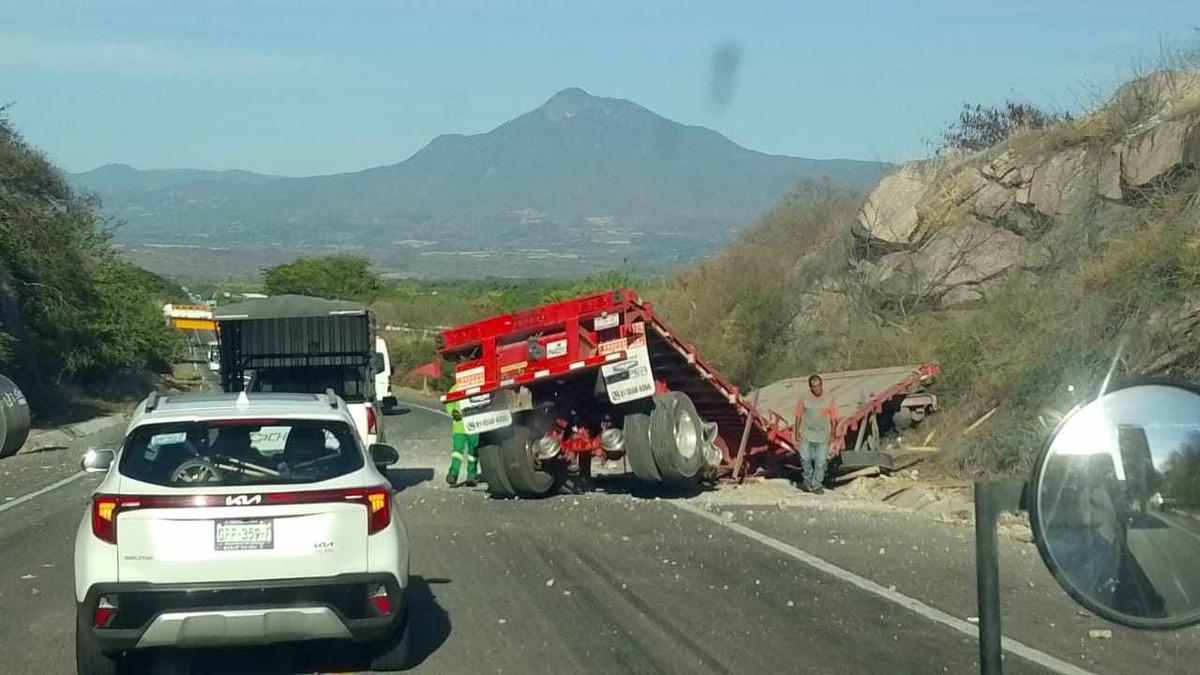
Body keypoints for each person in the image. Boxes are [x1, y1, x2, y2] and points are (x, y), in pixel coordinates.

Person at [794, 374, 837, 494]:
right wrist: (796, 431)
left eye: (819, 386)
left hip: (823, 436)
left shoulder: (829, 398)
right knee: (805, 459)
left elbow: (834, 418)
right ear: (810, 387)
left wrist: (833, 434)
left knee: (821, 462)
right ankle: (808, 481)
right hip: (807, 434)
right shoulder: (804, 398)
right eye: (814, 387)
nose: (817, 389)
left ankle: (817, 484)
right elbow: (798, 415)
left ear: (822, 385)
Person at [444, 386, 480, 487]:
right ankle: (453, 475)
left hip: (474, 425)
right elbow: (449, 402)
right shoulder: (455, 388)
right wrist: (453, 412)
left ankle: (471, 476)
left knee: (473, 451)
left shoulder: (475, 386)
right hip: (459, 426)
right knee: (457, 452)